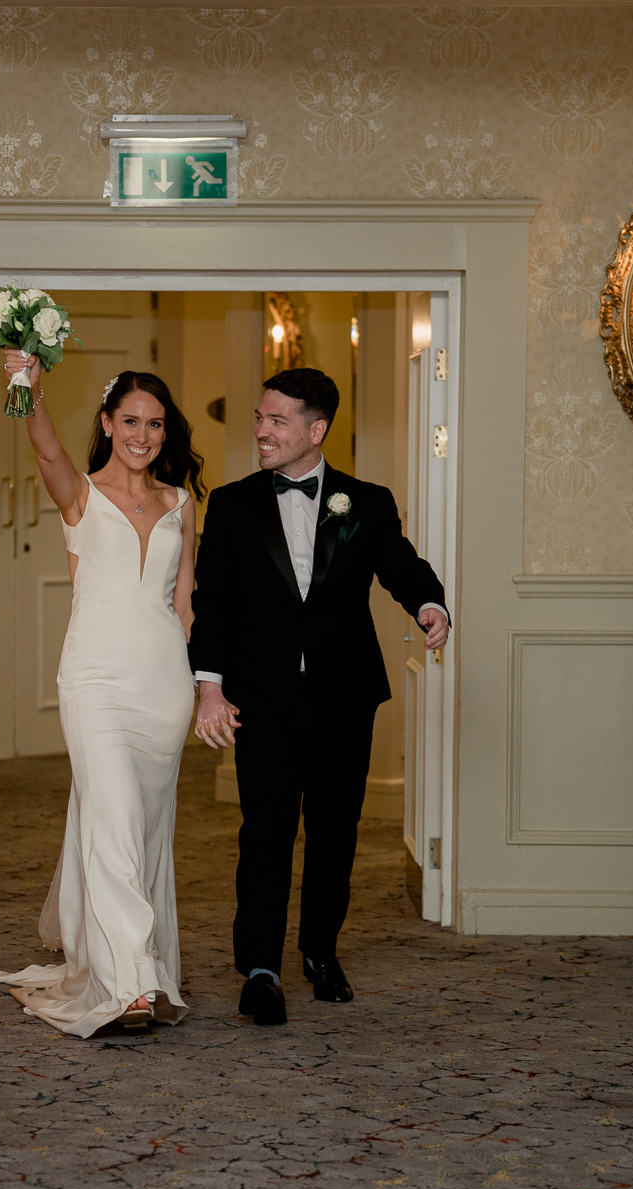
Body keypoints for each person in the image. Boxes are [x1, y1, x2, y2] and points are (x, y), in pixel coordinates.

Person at [189, 367, 449, 1027]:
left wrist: (427, 602)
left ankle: (319, 950)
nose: (261, 431)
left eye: (276, 421)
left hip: (344, 699)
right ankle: (261, 969)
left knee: (336, 833)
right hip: (263, 702)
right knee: (266, 835)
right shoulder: (233, 502)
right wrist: (209, 689)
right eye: (259, 418)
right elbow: (210, 604)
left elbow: (399, 563)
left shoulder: (366, 501)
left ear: (316, 429)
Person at [0, 357, 204, 1037]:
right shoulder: (78, 493)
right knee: (110, 819)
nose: (143, 434)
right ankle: (131, 981)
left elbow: (186, 605)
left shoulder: (180, 503)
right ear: (107, 423)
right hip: (95, 681)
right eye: (131, 420)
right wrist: (26, 381)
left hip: (163, 685)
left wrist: (204, 687)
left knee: (141, 828)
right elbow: (43, 443)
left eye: (156, 424)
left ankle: (137, 966)